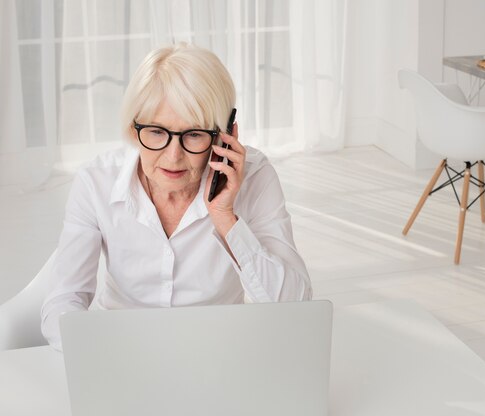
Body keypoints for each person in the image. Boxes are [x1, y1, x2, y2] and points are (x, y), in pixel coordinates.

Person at [41, 43, 312, 351]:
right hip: (120, 350)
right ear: (133, 130)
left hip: (218, 350)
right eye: (157, 132)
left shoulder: (255, 176)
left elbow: (296, 306)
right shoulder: (96, 182)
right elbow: (63, 302)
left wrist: (226, 218)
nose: (173, 157)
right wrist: (100, 354)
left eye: (194, 134)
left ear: (225, 136)